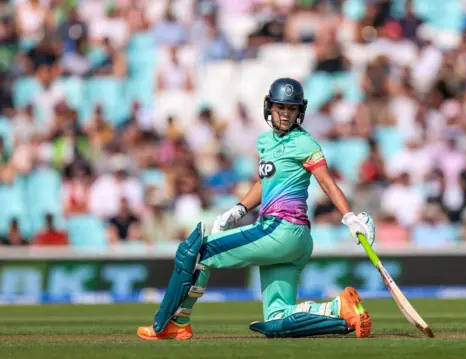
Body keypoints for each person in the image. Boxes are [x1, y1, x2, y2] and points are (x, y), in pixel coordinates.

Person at [137, 78, 376, 340]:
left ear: (299, 112)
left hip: (280, 230)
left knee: (195, 252)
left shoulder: (304, 143)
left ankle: (174, 323)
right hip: (291, 240)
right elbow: (266, 183)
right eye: (280, 107)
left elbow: (327, 184)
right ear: (269, 106)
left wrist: (349, 216)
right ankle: (341, 309)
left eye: (291, 109)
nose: (285, 114)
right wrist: (238, 210)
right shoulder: (264, 142)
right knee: (278, 316)